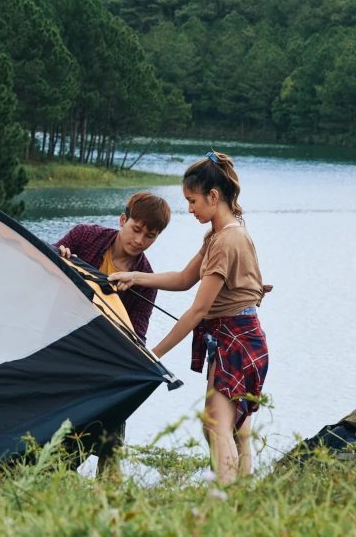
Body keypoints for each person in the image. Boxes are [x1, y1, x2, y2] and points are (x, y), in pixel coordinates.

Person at [110, 151, 269, 484]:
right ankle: (243, 501)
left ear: (213, 196)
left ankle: (226, 504)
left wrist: (154, 354)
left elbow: (197, 310)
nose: (189, 208)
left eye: (192, 200)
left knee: (217, 425)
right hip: (239, 334)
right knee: (236, 430)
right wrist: (136, 277)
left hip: (235, 338)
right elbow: (184, 279)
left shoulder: (226, 240)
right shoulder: (221, 234)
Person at [54, 191, 171, 480]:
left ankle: (109, 494)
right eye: (136, 229)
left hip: (104, 361)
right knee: (56, 438)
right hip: (60, 346)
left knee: (112, 440)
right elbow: (44, 266)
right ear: (123, 219)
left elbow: (136, 335)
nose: (139, 240)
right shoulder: (83, 237)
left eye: (150, 236)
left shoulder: (146, 280)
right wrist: (60, 256)